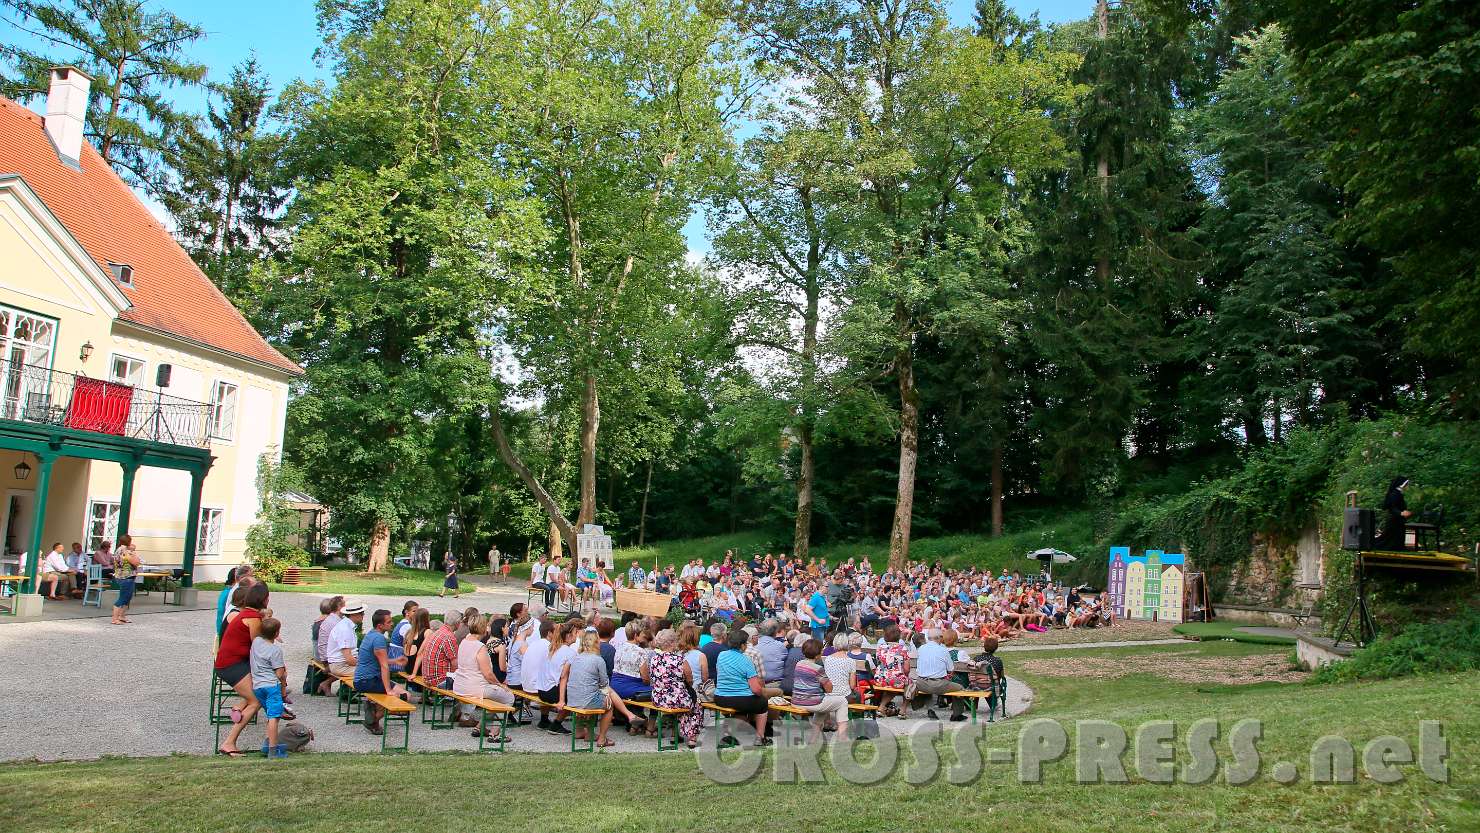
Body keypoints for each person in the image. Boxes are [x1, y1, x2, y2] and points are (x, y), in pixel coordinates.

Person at [213, 582, 270, 756]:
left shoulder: (246, 613)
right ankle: (229, 743)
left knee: (261, 689)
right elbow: (257, 646)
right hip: (231, 665)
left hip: (232, 662)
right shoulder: (253, 618)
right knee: (257, 700)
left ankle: (239, 705)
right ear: (264, 599)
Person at [451, 616, 513, 740]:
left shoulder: (464, 641)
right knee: (508, 697)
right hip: (475, 687)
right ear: (483, 628)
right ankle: (496, 733)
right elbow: (488, 674)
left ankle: (480, 726)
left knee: (497, 698)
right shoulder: (479, 647)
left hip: (460, 685)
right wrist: (499, 684)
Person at [642, 628, 702, 748]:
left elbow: (649, 676)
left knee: (684, 703)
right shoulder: (680, 660)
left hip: (658, 699)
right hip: (677, 699)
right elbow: (690, 680)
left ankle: (676, 735)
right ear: (673, 643)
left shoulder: (654, 659)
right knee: (696, 704)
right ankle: (692, 738)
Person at [712, 628, 770, 747]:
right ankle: (760, 737)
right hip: (739, 698)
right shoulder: (746, 660)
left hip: (720, 697)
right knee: (762, 703)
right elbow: (756, 689)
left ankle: (730, 734)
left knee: (743, 708)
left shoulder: (721, 655)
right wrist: (762, 693)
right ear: (743, 645)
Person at [789, 638, 848, 741]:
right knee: (842, 701)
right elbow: (829, 689)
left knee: (824, 704)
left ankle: (813, 739)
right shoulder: (818, 668)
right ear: (817, 655)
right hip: (811, 702)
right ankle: (842, 736)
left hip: (796, 701)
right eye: (821, 650)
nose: (822, 652)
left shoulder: (799, 664)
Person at [354, 609, 400, 735]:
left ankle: (373, 710)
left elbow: (380, 660)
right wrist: (389, 690)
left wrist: (396, 660)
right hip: (367, 680)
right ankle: (373, 719)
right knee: (403, 695)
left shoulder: (371, 634)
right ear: (380, 625)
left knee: (399, 690)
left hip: (362, 679)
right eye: (389, 622)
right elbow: (384, 666)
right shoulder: (379, 639)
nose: (392, 624)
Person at [250, 617, 290, 758]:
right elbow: (279, 673)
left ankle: (268, 744)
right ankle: (273, 751)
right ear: (277, 633)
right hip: (271, 686)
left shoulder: (256, 642)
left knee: (270, 715)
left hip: (257, 685)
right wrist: (284, 676)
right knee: (274, 717)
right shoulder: (275, 650)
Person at [907, 629, 966, 721]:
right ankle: (957, 714)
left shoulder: (921, 649)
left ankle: (930, 709)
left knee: (927, 687)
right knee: (960, 688)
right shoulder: (943, 650)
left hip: (921, 683)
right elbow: (950, 669)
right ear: (940, 638)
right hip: (938, 684)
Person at [416, 609, 462, 689]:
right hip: (439, 680)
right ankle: (451, 700)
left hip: (427, 677)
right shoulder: (449, 637)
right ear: (457, 623)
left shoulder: (437, 632)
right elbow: (455, 664)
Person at [326, 603, 366, 683]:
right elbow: (349, 660)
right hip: (341, 666)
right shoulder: (345, 629)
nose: (363, 615)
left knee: (374, 668)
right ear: (354, 615)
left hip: (340, 664)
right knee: (374, 672)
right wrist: (366, 665)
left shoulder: (346, 625)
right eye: (362, 613)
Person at [314, 596, 346, 694]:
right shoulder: (337, 622)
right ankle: (327, 684)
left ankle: (327, 684)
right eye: (344, 605)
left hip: (323, 655)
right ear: (340, 607)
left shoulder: (331, 618)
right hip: (327, 659)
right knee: (357, 666)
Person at [109, 535, 141, 625]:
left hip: (123, 576)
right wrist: (134, 553)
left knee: (127, 597)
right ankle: (115, 618)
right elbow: (136, 562)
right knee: (123, 598)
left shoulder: (120, 549)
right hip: (126, 577)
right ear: (128, 541)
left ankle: (122, 616)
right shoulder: (125, 551)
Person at [1379, 476, 1412, 550]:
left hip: (1397, 520)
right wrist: (1401, 513)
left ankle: (1398, 547)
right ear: (1402, 484)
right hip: (1394, 520)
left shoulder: (1398, 493)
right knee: (1388, 539)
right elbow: (1391, 507)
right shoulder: (1395, 494)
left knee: (1394, 538)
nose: (1408, 486)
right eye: (1407, 484)